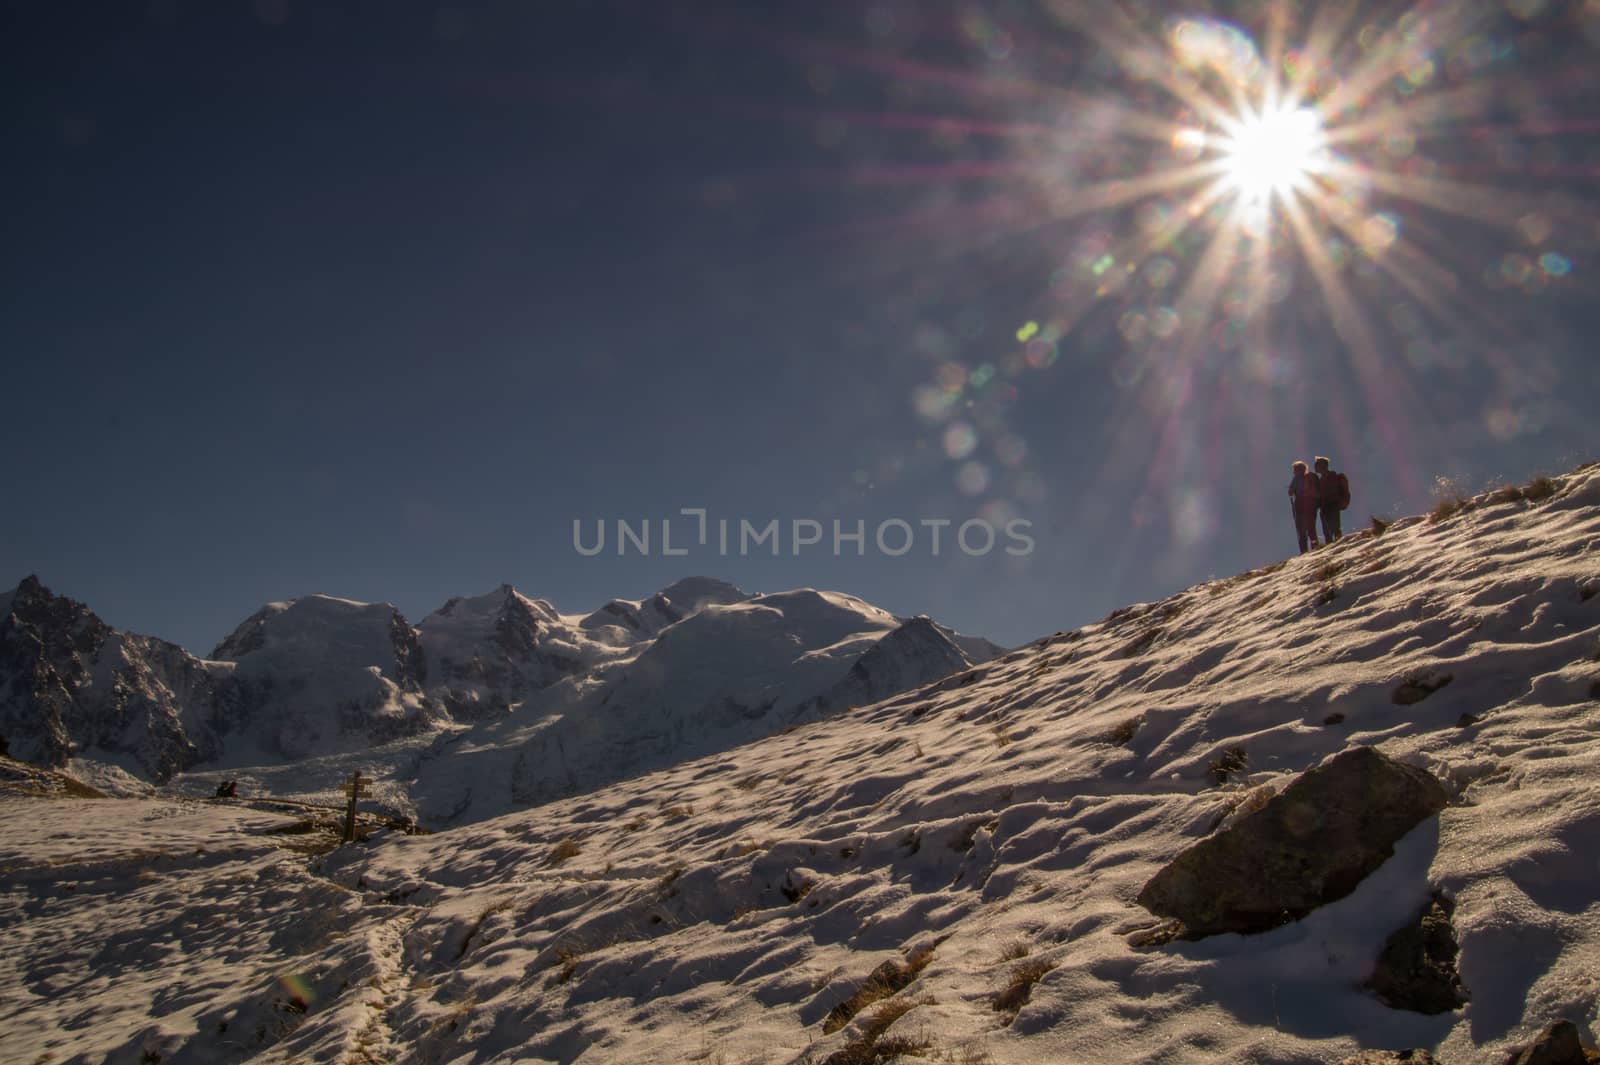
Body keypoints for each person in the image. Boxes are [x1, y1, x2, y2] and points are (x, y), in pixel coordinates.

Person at [1288, 460, 1321, 553]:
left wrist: (1291, 491)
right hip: (1308, 506)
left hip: (1303, 506)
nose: (1294, 472)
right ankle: (1314, 548)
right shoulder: (1310, 477)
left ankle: (1306, 551)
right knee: (1309, 529)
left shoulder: (1299, 478)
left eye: (1295, 469)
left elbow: (1290, 492)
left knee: (1305, 530)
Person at [1314, 456, 1348, 543]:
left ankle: (1339, 543)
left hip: (1332, 503)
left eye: (1317, 464)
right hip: (1325, 505)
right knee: (1327, 530)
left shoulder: (1332, 476)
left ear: (1322, 465)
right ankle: (1332, 546)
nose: (1315, 466)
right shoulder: (1321, 480)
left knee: (1334, 527)